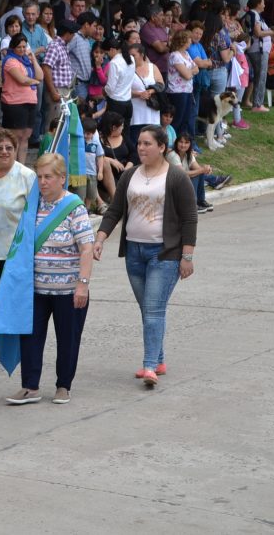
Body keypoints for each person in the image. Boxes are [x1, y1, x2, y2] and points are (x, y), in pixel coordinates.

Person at [94, 125, 197, 387]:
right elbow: (115, 210)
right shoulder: (130, 176)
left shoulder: (176, 177)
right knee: (149, 310)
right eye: (139, 143)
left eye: (147, 144)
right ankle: (159, 359)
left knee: (153, 310)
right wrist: (100, 238)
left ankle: (150, 366)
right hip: (134, 253)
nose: (141, 148)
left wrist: (187, 256)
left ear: (162, 147)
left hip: (164, 254)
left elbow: (189, 218)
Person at [5, 153, 94, 405]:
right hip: (35, 288)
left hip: (69, 290)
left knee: (68, 339)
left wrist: (82, 285)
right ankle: (30, 386)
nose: (43, 182)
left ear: (62, 178)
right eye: (40, 177)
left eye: (49, 177)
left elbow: (86, 248)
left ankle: (63, 385)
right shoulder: (33, 206)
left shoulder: (74, 207)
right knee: (30, 338)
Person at [0, 128, 37, 312]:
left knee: (12, 303)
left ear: (16, 149)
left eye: (9, 148)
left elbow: (35, 216)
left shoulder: (27, 177)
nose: (4, 151)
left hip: (14, 253)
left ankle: (8, 338)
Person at [0, 33, 42, 162]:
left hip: (30, 102)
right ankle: (12, 165)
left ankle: (22, 167)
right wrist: (34, 81)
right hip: (14, 103)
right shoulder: (10, 61)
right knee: (14, 137)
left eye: (24, 47)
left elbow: (40, 76)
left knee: (25, 136)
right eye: (19, 47)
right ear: (13, 47)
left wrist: (33, 58)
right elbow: (21, 80)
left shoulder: (27, 60)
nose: (22, 50)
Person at [166, 132, 230, 214]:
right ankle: (192, 204)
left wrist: (206, 169)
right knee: (197, 173)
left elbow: (199, 169)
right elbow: (182, 174)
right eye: (181, 142)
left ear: (190, 144)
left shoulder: (188, 155)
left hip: (181, 184)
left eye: (186, 143)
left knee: (199, 173)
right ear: (176, 143)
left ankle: (200, 201)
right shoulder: (173, 155)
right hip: (171, 186)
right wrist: (202, 170)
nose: (183, 145)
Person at [126, 42, 163, 160]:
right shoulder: (127, 69)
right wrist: (138, 94)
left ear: (141, 55)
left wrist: (150, 92)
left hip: (151, 112)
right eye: (129, 55)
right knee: (137, 142)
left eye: (133, 55)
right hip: (136, 113)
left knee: (153, 141)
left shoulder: (153, 67)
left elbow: (161, 85)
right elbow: (123, 90)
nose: (131, 58)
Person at [242, 0, 272, 112]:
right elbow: (258, 33)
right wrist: (271, 32)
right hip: (258, 50)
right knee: (261, 76)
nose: (264, 5)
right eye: (263, 2)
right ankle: (257, 104)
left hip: (257, 49)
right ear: (258, 3)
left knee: (258, 76)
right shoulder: (255, 15)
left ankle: (255, 102)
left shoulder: (253, 15)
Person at [166, 30, 197, 141]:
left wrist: (190, 71)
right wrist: (191, 71)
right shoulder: (175, 56)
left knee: (185, 118)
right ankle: (171, 141)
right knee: (177, 119)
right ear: (184, 41)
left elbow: (196, 68)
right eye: (189, 38)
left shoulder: (186, 54)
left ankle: (181, 143)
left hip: (188, 90)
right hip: (177, 92)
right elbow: (187, 75)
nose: (191, 41)